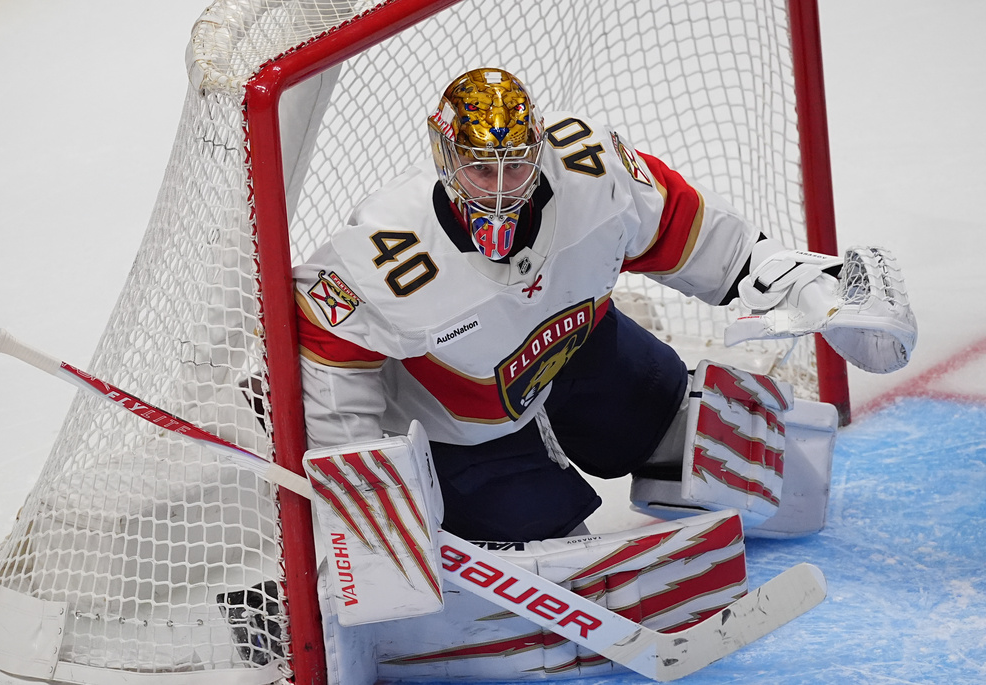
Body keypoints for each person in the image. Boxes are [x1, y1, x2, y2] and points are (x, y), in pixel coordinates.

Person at [292, 67, 913, 543]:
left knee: (721, 444)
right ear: (446, 157)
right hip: (467, 430)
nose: (505, 188)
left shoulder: (589, 170)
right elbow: (334, 387)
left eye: (518, 163)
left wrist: (806, 283)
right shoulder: (380, 259)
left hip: (584, 358)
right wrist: (368, 509)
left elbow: (703, 242)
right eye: (483, 170)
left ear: (540, 147)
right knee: (562, 569)